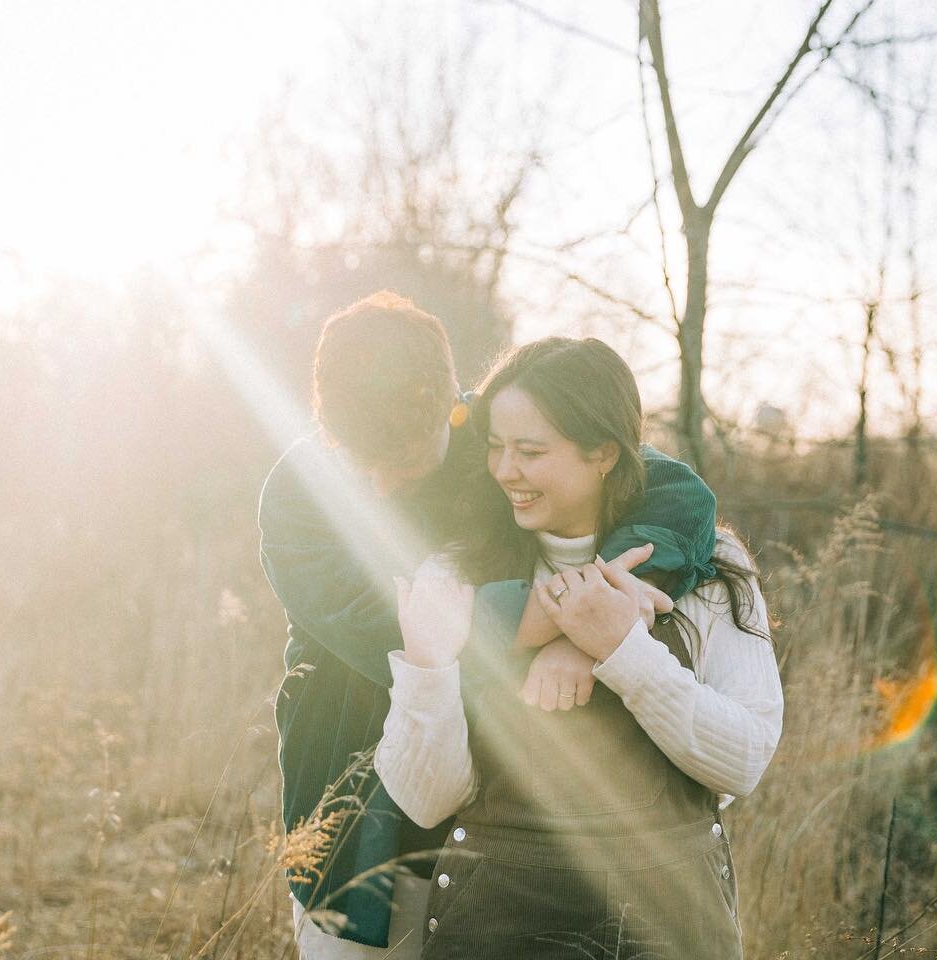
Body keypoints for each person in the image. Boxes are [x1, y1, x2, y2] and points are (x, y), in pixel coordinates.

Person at [257, 293, 722, 958]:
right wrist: (575, 616)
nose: (384, 484)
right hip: (352, 798)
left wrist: (591, 626)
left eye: (408, 460)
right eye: (364, 463)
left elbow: (677, 495)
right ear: (325, 421)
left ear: (452, 404)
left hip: (487, 811)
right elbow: (385, 630)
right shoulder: (298, 492)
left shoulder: (497, 434)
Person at [375, 337, 785, 960]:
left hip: (669, 927)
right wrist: (428, 669)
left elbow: (743, 761)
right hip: (496, 928)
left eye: (530, 451)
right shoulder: (456, 572)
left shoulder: (712, 568)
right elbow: (426, 800)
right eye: (495, 447)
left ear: (603, 453)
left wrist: (622, 652)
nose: (505, 470)